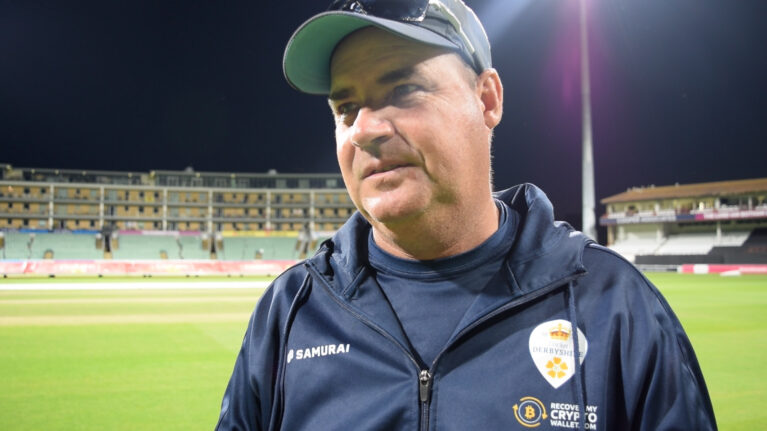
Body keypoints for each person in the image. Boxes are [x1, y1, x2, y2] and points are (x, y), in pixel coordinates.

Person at [216, 0, 717, 429]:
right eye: (345, 108)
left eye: (403, 90)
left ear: (487, 99)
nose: (364, 129)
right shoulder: (291, 310)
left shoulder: (613, 305)